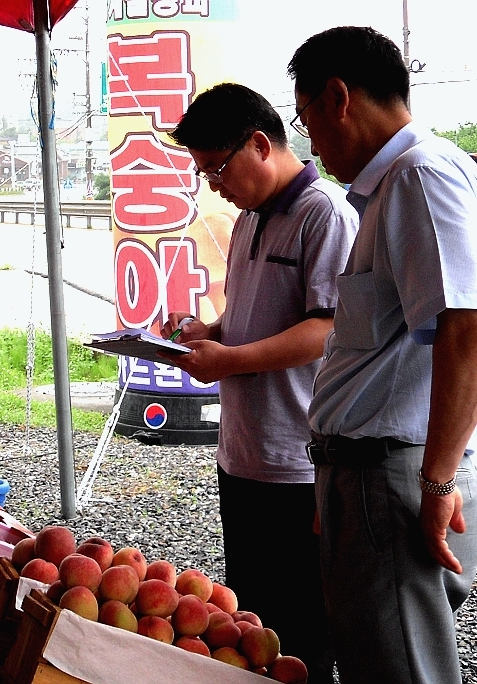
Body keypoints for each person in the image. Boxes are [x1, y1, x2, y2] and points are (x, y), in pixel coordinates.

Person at [288, 27, 477, 684]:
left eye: (307, 120)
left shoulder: (419, 176)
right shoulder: (398, 186)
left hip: (393, 477)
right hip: (374, 477)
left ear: (338, 98)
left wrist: (435, 481)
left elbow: (471, 329)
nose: (312, 145)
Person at [161, 83, 358, 682]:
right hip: (243, 455)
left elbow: (327, 328)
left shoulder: (324, 213)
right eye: (203, 173)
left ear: (259, 144)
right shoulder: (248, 219)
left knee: (302, 631)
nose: (213, 185)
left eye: (217, 169)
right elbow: (252, 316)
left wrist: (230, 360)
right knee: (251, 624)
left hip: (298, 463)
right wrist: (207, 332)